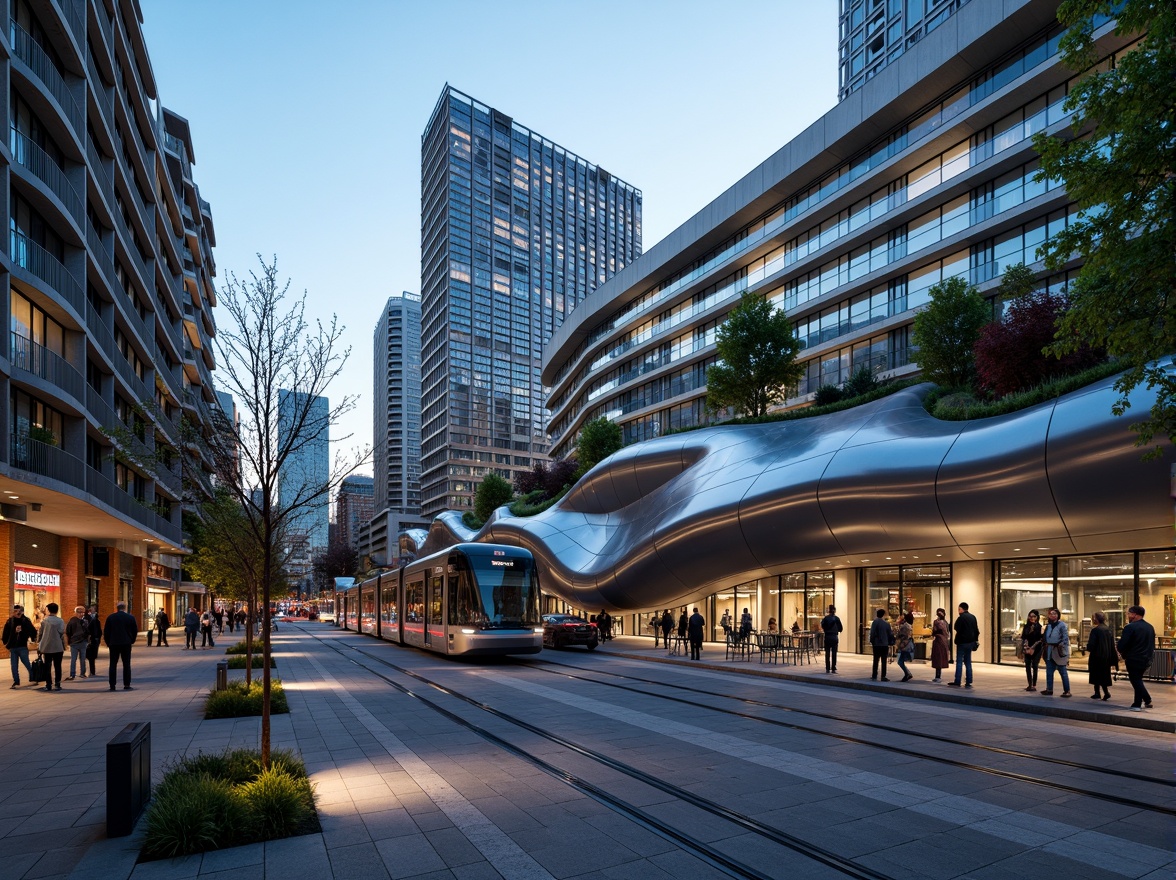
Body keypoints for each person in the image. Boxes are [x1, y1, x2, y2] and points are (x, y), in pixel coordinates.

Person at [1117, 605, 1156, 712]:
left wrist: (1120, 650)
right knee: (1137, 679)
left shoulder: (1130, 627)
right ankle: (1147, 699)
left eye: (1129, 613)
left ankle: (1137, 704)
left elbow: (1122, 644)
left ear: (1134, 614)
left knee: (1135, 680)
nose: (1128, 616)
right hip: (1146, 658)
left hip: (1134, 658)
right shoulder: (1150, 627)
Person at [103, 601, 138, 691]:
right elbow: (134, 631)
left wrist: (108, 642)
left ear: (117, 608)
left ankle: (112, 685)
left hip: (114, 643)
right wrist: (132, 640)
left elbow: (106, 632)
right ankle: (126, 684)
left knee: (112, 664)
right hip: (126, 643)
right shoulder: (130, 617)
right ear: (125, 608)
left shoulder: (111, 617)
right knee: (126, 664)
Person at [3, 604, 37, 687]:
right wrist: (5, 642)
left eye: (17, 611)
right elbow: (5, 632)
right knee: (14, 665)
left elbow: (33, 631)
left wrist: (24, 631)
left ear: (21, 612)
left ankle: (33, 677)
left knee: (26, 663)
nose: (15, 613)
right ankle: (16, 681)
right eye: (14, 611)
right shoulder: (10, 621)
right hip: (13, 647)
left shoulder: (25, 621)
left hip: (22, 646)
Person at [1041, 606, 1071, 697]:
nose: (1052, 615)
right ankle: (1049, 689)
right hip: (1049, 650)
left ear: (1058, 615)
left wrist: (1061, 646)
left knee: (1063, 672)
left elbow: (1065, 638)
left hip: (1058, 651)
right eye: (1050, 614)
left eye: (1054, 613)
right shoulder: (1048, 625)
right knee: (1049, 672)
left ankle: (1067, 691)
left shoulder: (1062, 625)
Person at [1086, 611, 1116, 701]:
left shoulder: (1095, 630)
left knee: (1096, 674)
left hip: (1097, 655)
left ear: (1096, 619)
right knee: (1104, 674)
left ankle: (1099, 692)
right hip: (1106, 655)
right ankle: (1101, 692)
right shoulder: (1108, 629)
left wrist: (1088, 648)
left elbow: (1091, 645)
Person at [948, 603, 979, 689]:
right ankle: (969, 681)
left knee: (959, 662)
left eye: (959, 609)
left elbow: (956, 627)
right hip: (970, 642)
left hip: (962, 642)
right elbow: (976, 630)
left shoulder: (961, 618)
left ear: (961, 609)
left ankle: (957, 680)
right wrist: (975, 640)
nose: (958, 611)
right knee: (968, 661)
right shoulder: (973, 617)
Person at [37, 603, 66, 692]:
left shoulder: (44, 621)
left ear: (48, 610)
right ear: (57, 610)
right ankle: (57, 684)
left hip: (46, 646)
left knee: (47, 666)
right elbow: (62, 632)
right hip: (57, 646)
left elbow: (40, 634)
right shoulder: (60, 621)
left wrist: (39, 644)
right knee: (58, 666)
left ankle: (48, 684)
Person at [1020, 609, 1044, 691]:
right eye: (1030, 616)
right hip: (1027, 648)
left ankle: (1034, 684)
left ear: (1037, 617)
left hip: (1037, 648)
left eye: (1034, 616)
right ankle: (1029, 684)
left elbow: (1041, 639)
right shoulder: (1026, 626)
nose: (1032, 618)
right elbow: (1023, 637)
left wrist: (1033, 647)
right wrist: (1024, 647)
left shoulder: (1039, 627)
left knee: (1035, 665)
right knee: (1027, 665)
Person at [65, 606, 90, 679]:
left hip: (76, 642)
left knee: (75, 659)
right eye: (80, 612)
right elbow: (87, 632)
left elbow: (68, 632)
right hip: (80, 642)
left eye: (82, 612)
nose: (81, 614)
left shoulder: (72, 621)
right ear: (76, 613)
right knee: (80, 659)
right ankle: (81, 673)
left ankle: (73, 674)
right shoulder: (83, 621)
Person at [868, 608, 892, 681]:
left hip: (877, 644)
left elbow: (872, 633)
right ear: (883, 615)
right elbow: (889, 634)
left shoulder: (875, 622)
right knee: (884, 661)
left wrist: (872, 641)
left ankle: (874, 675)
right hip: (884, 644)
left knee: (876, 660)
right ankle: (883, 676)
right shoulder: (886, 624)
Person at [820, 605, 843, 674]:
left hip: (827, 636)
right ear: (834, 610)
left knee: (827, 653)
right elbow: (841, 629)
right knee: (834, 653)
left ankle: (827, 668)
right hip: (834, 636)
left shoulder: (826, 618)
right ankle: (833, 668)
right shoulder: (837, 619)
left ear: (828, 610)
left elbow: (823, 626)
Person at [930, 608, 950, 682]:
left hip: (938, 641)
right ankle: (938, 676)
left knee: (938, 658)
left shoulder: (936, 622)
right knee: (941, 658)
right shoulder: (946, 623)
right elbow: (948, 633)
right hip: (944, 642)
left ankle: (937, 676)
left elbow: (934, 632)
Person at [895, 615, 915, 682]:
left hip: (904, 645)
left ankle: (907, 673)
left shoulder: (904, 626)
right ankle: (907, 673)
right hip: (908, 645)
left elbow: (901, 636)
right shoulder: (909, 626)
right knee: (901, 661)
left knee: (900, 661)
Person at [85, 606, 102, 676]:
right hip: (90, 639)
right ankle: (90, 671)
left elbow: (99, 630)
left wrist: (98, 638)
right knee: (90, 656)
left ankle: (92, 671)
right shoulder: (87, 619)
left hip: (94, 639)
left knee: (92, 656)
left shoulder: (96, 620)